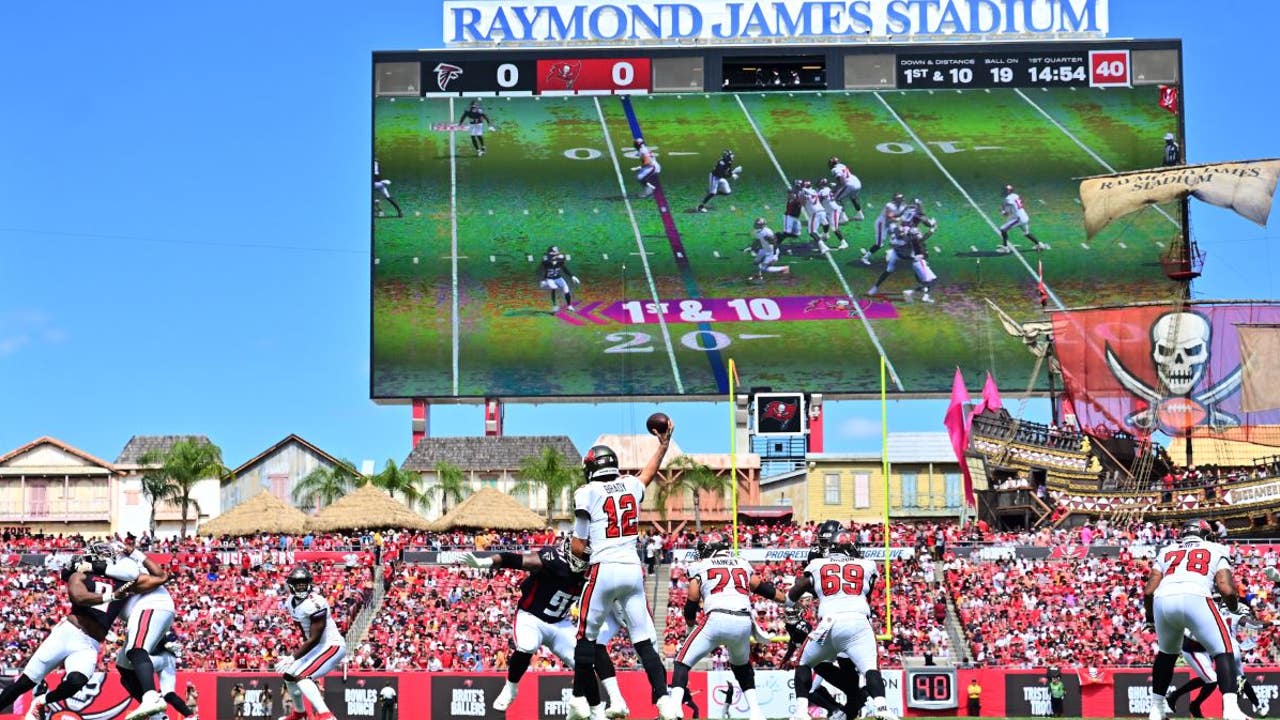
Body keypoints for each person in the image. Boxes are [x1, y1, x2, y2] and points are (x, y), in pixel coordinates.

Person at [568, 422, 679, 720]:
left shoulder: (587, 492)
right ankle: (665, 701)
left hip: (603, 569)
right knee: (644, 640)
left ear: (590, 468)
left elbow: (578, 546)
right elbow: (648, 473)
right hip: (632, 569)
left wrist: (580, 557)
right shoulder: (629, 484)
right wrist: (664, 445)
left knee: (585, 639)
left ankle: (579, 701)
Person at [0, 546, 147, 720]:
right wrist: (112, 596)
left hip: (89, 643)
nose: (108, 556)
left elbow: (160, 576)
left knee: (77, 681)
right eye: (103, 553)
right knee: (25, 683)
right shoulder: (81, 575)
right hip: (67, 633)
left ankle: (41, 700)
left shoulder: (124, 580)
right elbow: (79, 597)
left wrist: (137, 554)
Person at [456, 537, 589, 714]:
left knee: (585, 662)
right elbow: (514, 559)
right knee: (527, 645)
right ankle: (511, 688)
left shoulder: (593, 569)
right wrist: (485, 562)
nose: (582, 565)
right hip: (531, 617)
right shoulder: (553, 560)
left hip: (560, 623)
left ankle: (578, 702)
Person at [668, 533, 786, 720]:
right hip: (743, 621)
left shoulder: (701, 566)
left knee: (682, 661)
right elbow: (763, 588)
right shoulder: (741, 563)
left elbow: (691, 600)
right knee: (741, 667)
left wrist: (690, 626)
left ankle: (674, 708)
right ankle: (756, 712)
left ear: (710, 549)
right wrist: (786, 601)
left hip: (716, 617)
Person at [784, 531, 895, 720]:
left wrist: (788, 602)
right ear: (849, 548)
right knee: (870, 669)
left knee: (804, 663)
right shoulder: (867, 565)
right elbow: (867, 593)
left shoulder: (818, 564)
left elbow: (796, 591)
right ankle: (882, 708)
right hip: (858, 621)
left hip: (829, 623)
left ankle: (801, 713)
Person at [1144, 519, 1247, 720]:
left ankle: (1156, 709)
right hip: (1196, 596)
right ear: (1206, 534)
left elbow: (1149, 591)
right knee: (1224, 650)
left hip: (1163, 599)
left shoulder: (1167, 551)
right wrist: (1234, 607)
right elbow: (1225, 587)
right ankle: (1231, 710)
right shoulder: (1216, 548)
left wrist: (1150, 618)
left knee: (1166, 655)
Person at [116, 535, 177, 720]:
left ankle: (152, 698)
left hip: (151, 606)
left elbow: (160, 575)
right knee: (124, 668)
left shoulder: (123, 566)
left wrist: (135, 553)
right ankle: (157, 716)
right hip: (143, 612)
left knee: (136, 650)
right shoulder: (105, 574)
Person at [1166, 604, 1263, 718]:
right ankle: (1183, 700)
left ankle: (1181, 699)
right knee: (1212, 679)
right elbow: (1191, 633)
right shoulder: (1200, 614)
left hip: (1204, 650)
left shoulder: (1218, 614)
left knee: (1210, 678)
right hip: (1192, 649)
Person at [276, 565, 347, 720]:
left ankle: (326, 715)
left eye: (303, 583)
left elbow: (314, 638)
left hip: (331, 645)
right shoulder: (290, 602)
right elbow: (306, 634)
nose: (301, 586)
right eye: (298, 584)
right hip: (318, 646)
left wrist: (293, 657)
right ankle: (299, 713)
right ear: (291, 585)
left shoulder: (316, 603)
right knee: (289, 675)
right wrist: (298, 657)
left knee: (303, 676)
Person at [867, 221, 935, 303]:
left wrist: (931, 230)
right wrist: (932, 229)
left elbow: (921, 239)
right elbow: (894, 243)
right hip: (898, 254)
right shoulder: (901, 236)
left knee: (925, 276)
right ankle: (875, 287)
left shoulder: (909, 234)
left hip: (911, 257)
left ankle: (924, 292)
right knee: (889, 270)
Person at [149, 632, 194, 718]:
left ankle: (158, 714)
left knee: (132, 671)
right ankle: (190, 716)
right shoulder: (168, 631)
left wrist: (164, 642)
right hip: (170, 659)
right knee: (169, 694)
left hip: (157, 656)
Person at [996, 184, 1046, 253]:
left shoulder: (1008, 199)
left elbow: (1006, 214)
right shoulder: (1015, 195)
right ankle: (1040, 244)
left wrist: (1002, 211)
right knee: (1026, 233)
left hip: (1018, 219)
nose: (1004, 191)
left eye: (1005, 190)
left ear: (1009, 191)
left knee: (1003, 229)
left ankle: (1005, 248)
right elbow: (1012, 208)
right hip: (1024, 216)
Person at [862, 193, 907, 265]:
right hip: (881, 225)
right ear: (895, 200)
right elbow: (889, 216)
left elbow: (900, 214)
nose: (902, 200)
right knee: (879, 244)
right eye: (900, 199)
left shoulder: (903, 207)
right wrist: (897, 219)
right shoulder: (890, 205)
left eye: (902, 198)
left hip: (890, 224)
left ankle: (891, 252)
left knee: (898, 235)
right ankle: (865, 258)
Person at [744, 218, 790, 282]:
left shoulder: (767, 232)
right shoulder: (757, 231)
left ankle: (784, 268)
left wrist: (774, 255)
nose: (756, 225)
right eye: (756, 224)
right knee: (756, 262)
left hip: (770, 252)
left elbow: (774, 243)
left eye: (758, 224)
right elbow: (757, 240)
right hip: (763, 249)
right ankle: (758, 274)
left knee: (765, 268)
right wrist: (752, 248)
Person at [538, 246, 580, 313]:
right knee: (554, 287)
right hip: (550, 278)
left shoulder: (559, 260)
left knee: (566, 290)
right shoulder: (547, 260)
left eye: (556, 251)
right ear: (550, 252)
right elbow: (545, 270)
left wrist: (572, 276)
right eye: (553, 252)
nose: (556, 253)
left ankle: (569, 306)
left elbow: (564, 269)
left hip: (558, 277)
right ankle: (554, 306)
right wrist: (544, 280)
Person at [828, 156, 865, 221]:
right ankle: (860, 215)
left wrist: (835, 187)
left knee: (836, 199)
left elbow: (842, 182)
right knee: (853, 198)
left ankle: (843, 218)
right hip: (856, 182)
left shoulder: (834, 169)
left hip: (849, 184)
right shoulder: (842, 165)